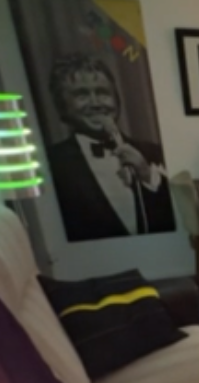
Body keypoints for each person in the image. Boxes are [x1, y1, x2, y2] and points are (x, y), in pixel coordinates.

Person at [45, 54, 175, 242]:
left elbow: (179, 223)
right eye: (81, 95)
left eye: (103, 93)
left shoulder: (154, 152)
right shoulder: (52, 163)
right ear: (62, 106)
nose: (96, 103)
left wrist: (147, 176)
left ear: (117, 100)